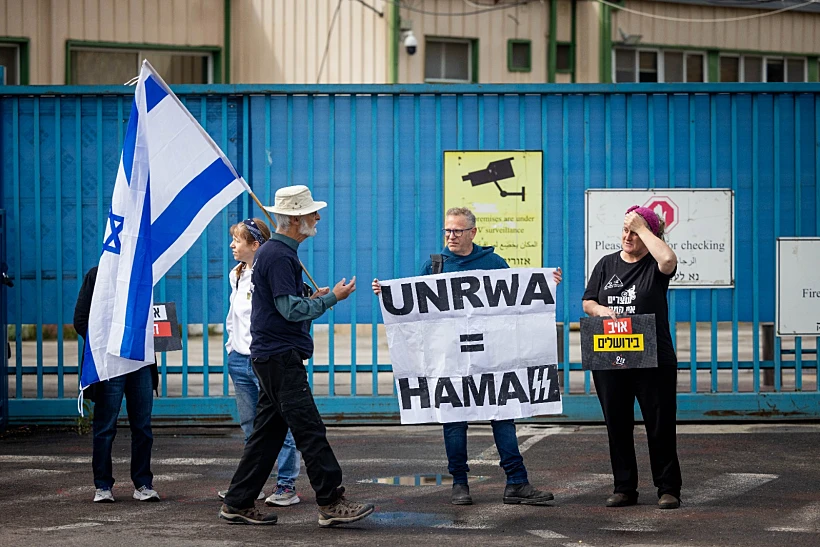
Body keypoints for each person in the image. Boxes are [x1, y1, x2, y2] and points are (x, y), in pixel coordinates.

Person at [372, 207, 562, 506]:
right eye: (448, 230)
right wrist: (388, 294)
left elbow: (517, 306)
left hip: (491, 359)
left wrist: (547, 283)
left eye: (458, 231)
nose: (451, 236)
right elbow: (415, 309)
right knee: (454, 422)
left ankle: (517, 482)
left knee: (503, 417)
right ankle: (459, 484)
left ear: (473, 232)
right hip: (452, 361)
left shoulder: (493, 262)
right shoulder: (435, 266)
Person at [219, 185, 375, 527]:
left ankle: (238, 502)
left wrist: (311, 296)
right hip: (278, 358)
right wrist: (331, 298)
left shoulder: (277, 254)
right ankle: (331, 502)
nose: (316, 217)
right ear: (294, 219)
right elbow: (289, 310)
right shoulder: (278, 255)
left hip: (272, 356)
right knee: (310, 431)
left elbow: (283, 302)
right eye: (311, 213)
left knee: (267, 435)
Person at [581, 205, 683, 510]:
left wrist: (643, 227)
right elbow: (588, 301)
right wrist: (600, 310)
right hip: (611, 355)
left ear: (648, 234)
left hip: (654, 357)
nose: (628, 237)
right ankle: (624, 487)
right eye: (625, 230)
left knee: (659, 422)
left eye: (634, 232)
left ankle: (668, 488)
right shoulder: (606, 264)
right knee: (617, 423)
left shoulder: (655, 264)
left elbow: (669, 260)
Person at [217, 218, 302, 506]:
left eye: (238, 241)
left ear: (256, 245)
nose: (232, 245)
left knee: (279, 424)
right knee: (250, 425)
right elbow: (234, 316)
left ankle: (287, 485)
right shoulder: (237, 274)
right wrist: (231, 348)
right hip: (239, 360)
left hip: (264, 360)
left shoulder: (268, 275)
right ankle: (252, 485)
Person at [74, 266, 160, 503]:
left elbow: (151, 317)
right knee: (105, 427)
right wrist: (110, 344)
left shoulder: (142, 274)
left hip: (140, 363)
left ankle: (143, 483)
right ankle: (103, 486)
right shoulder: (96, 275)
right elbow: (81, 320)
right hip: (109, 363)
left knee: (142, 426)